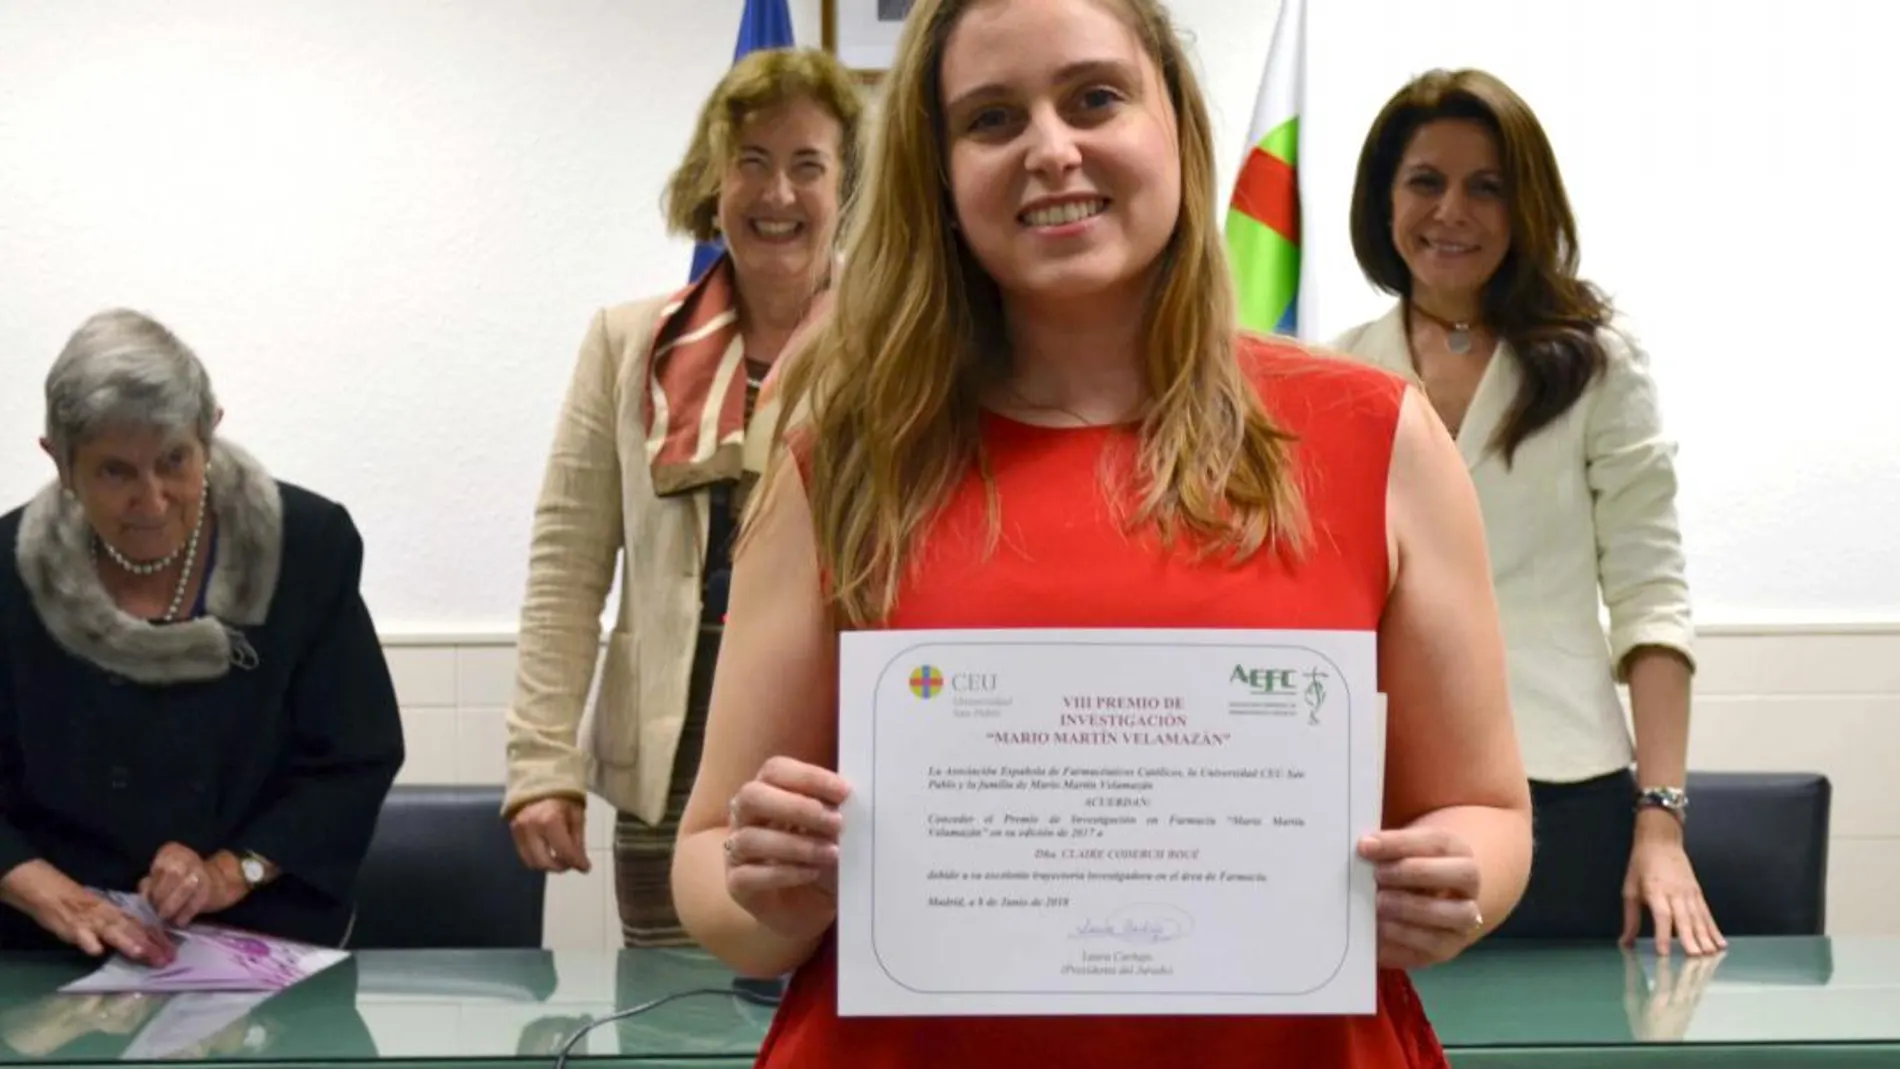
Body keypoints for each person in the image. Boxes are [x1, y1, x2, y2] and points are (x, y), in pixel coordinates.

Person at [671, 0, 1533, 1065]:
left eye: (1094, 98)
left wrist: (1457, 879)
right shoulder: (844, 462)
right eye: (990, 120)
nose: (1050, 149)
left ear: (1173, 119)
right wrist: (774, 889)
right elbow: (712, 864)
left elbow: (1487, 810)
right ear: (937, 175)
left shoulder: (1378, 438)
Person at [1327, 68, 1722, 957]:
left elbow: (1652, 600)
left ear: (1525, 206)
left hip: (1567, 798)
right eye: (1426, 181)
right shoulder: (1336, 376)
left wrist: (1660, 825)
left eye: (1486, 186)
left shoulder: (1599, 367)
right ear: (1384, 202)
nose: (1451, 211)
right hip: (1389, 800)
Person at [501, 46, 864, 949]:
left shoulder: (898, 344)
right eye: (752, 162)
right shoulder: (629, 345)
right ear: (713, 182)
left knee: (832, 993)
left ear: (846, 190)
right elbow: (566, 565)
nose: (778, 194)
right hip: (670, 750)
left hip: (840, 739)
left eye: (807, 166)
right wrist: (542, 761)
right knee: (671, 1016)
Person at [0, 309, 405, 959]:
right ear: (61, 462)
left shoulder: (302, 546)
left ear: (210, 435)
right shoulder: (11, 568)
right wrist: (45, 890)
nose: (154, 499)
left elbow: (354, 756)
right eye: (116, 472)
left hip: (264, 925)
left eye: (174, 460)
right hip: (54, 939)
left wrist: (228, 871)